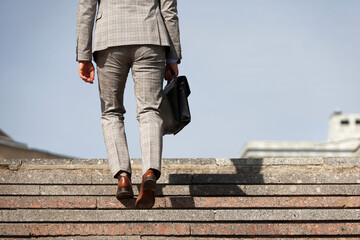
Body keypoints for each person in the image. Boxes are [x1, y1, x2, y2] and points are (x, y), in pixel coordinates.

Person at [76, 0, 182, 209]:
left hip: (109, 38)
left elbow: (86, 9)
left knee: (111, 112)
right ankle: (150, 171)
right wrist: (173, 57)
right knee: (150, 109)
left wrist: (84, 55)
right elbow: (168, 10)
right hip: (151, 36)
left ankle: (123, 176)